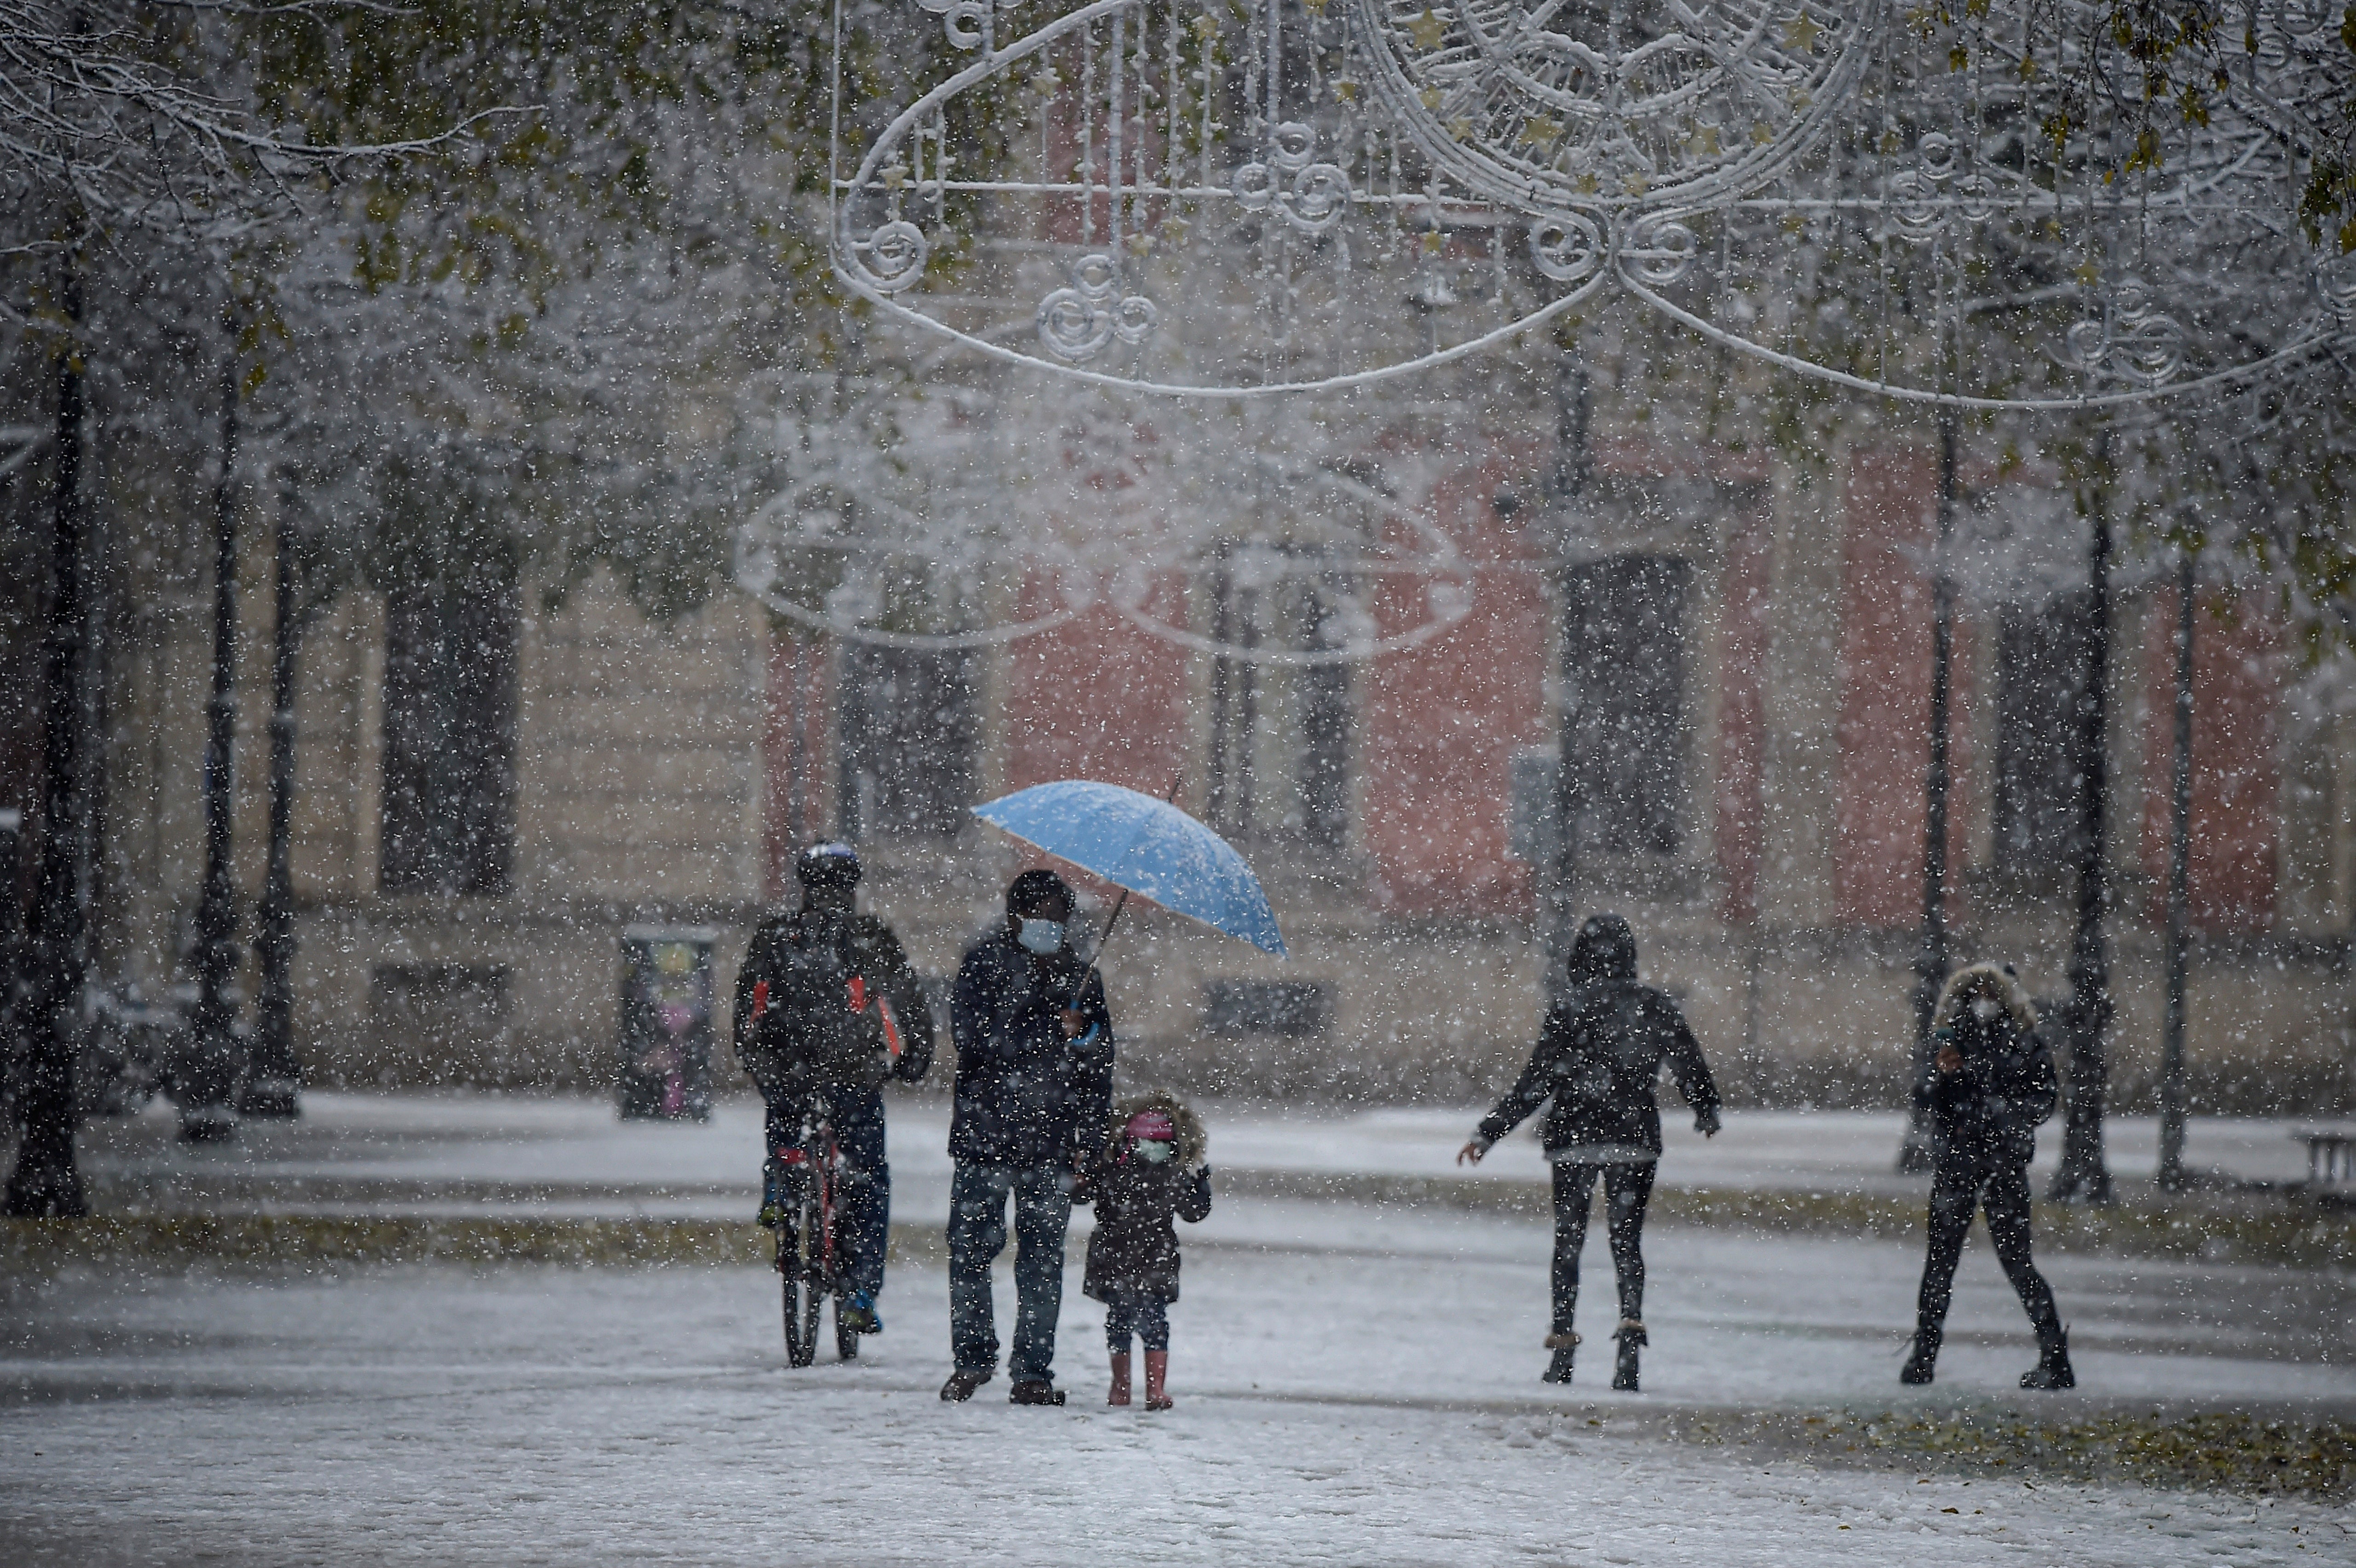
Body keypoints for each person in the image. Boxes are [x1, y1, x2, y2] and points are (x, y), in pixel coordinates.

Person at [1457, 913, 1720, 1391]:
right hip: (1633, 1137)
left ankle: (1562, 1350)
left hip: (1575, 1138)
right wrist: (1705, 1107)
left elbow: (1538, 1078)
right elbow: (1686, 1056)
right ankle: (1630, 1343)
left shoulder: (1570, 1007)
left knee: (1568, 1243)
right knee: (1627, 1242)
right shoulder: (1652, 1006)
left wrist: (1489, 1132)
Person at [733, 842, 934, 1337]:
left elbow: (747, 1005)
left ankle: (781, 1186)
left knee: (786, 1128)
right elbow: (908, 999)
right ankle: (861, 1290)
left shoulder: (776, 934)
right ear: (853, 886)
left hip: (789, 1072)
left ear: (804, 884)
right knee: (868, 1178)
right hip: (854, 1076)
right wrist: (915, 1057)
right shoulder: (870, 936)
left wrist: (755, 1059)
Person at [939, 868, 1115, 1406]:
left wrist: (1081, 1035)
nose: (1051, 926)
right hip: (985, 1137)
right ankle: (971, 1359)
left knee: (1042, 1260)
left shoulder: (1081, 977)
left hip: (1052, 1142)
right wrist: (1041, 1021)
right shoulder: (982, 966)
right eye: (1041, 915)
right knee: (971, 1252)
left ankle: (1033, 1368)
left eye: (1060, 917)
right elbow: (973, 1041)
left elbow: (1100, 1064)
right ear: (1015, 917)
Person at [1901, 961, 2072, 1390]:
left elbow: (2041, 1101)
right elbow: (1925, 1096)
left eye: (1990, 994)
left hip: (1999, 1165)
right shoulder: (1952, 1037)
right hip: (1963, 1163)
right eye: (1975, 994)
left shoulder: (2023, 1042)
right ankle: (1923, 1358)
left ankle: (2054, 1357)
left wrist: (1988, 1102)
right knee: (1942, 1264)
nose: (1982, 1003)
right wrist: (1944, 1076)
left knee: (2012, 1263)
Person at [1079, 1091, 1212, 1411]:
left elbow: (1194, 1210)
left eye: (1161, 1145)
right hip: (1126, 1257)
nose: (1153, 1152)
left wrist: (1200, 1185)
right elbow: (1081, 1193)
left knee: (1149, 1322)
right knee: (1122, 1321)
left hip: (1147, 1258)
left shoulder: (1168, 1174)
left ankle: (1151, 1388)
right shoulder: (1115, 1170)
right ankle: (1123, 1385)